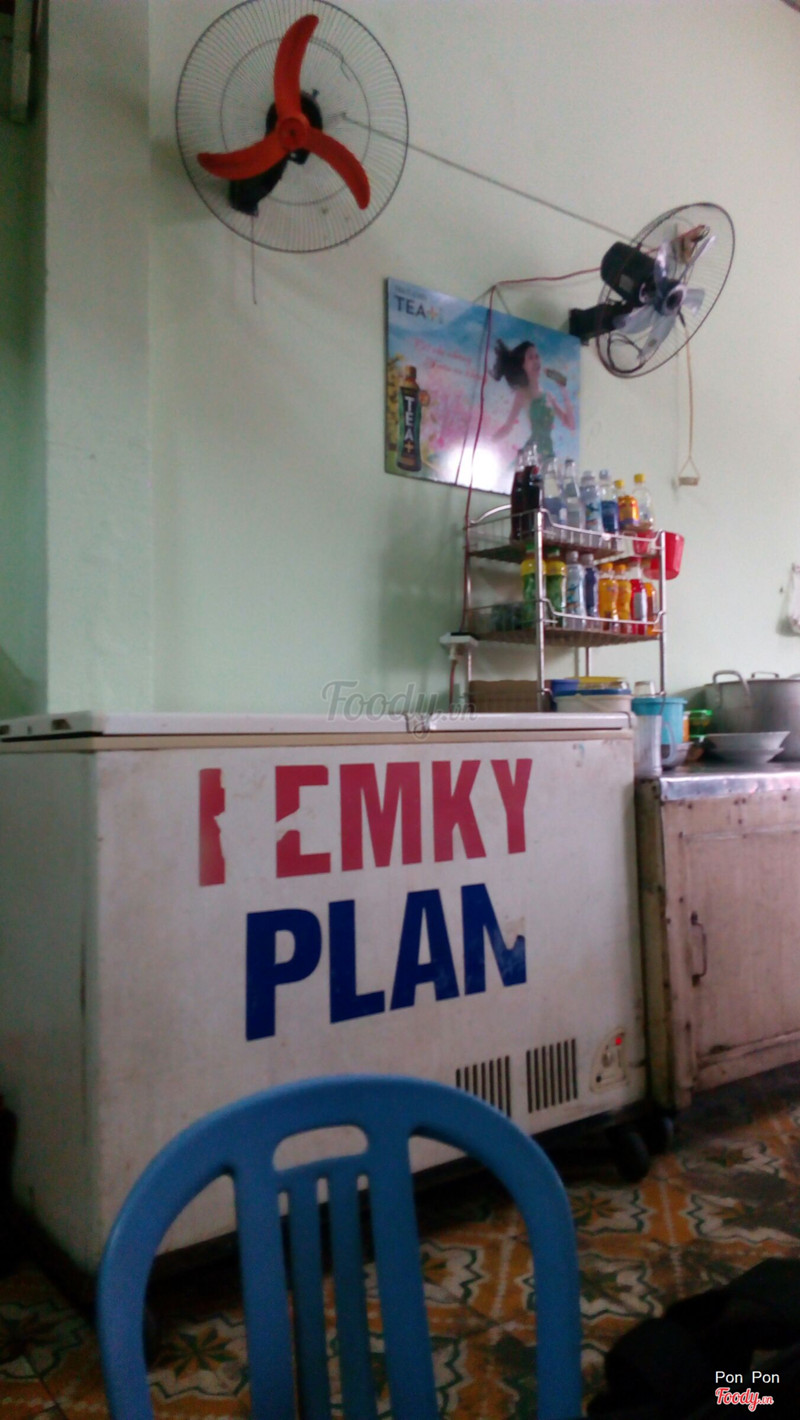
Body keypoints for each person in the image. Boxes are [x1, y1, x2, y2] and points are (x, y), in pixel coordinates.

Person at [491, 339, 575, 455]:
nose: (536, 361)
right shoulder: (522, 393)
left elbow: (570, 424)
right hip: (533, 453)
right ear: (523, 365)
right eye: (530, 357)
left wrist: (563, 390)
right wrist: (490, 442)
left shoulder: (548, 396)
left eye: (537, 356)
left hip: (548, 453)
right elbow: (508, 427)